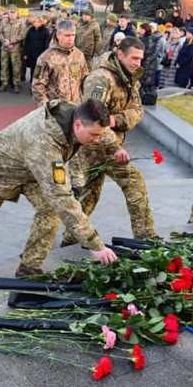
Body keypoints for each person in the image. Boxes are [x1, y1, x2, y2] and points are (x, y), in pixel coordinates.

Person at [0, 99, 119, 277]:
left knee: (50, 209)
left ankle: (29, 266)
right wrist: (94, 244)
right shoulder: (44, 141)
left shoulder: (75, 115)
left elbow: (101, 131)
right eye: (94, 135)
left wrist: (115, 148)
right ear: (78, 124)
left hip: (27, 170)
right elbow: (61, 197)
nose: (97, 140)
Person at [59, 38, 156, 246]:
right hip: (93, 146)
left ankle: (71, 238)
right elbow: (92, 119)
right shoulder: (101, 79)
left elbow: (138, 110)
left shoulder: (129, 77)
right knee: (127, 184)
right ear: (120, 54)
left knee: (90, 196)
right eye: (134, 58)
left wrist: (116, 119)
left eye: (141, 59)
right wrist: (115, 147)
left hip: (109, 143)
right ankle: (146, 238)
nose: (138, 63)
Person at [31, 20, 88, 105]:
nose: (71, 39)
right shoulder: (46, 57)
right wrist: (46, 107)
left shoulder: (79, 55)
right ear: (58, 35)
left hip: (76, 106)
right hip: (57, 108)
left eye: (73, 35)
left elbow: (85, 79)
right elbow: (38, 86)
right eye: (67, 35)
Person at [0, 6, 26, 93]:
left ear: (17, 14)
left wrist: (11, 42)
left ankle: (16, 84)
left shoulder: (21, 23)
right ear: (8, 13)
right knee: (4, 66)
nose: (12, 14)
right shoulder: (4, 21)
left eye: (14, 12)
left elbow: (22, 35)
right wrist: (4, 41)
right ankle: (4, 83)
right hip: (5, 47)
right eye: (10, 12)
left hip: (15, 49)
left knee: (16, 67)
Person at [23, 15, 50, 82]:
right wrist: (25, 53)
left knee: (39, 71)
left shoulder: (45, 31)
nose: (36, 23)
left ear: (41, 23)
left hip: (40, 54)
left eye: (38, 22)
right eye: (35, 22)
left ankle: (37, 85)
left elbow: (47, 44)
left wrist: (44, 55)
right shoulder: (30, 30)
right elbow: (27, 42)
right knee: (32, 69)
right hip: (31, 53)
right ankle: (32, 83)